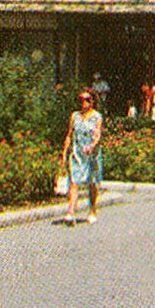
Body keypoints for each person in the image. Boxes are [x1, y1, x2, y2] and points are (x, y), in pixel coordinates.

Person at [60, 89, 103, 225]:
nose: (83, 103)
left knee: (92, 183)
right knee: (74, 181)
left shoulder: (97, 117)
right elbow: (69, 135)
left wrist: (91, 146)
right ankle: (70, 212)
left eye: (87, 99)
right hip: (77, 152)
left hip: (92, 155)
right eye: (81, 99)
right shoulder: (75, 116)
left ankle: (92, 211)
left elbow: (97, 135)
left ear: (93, 101)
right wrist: (64, 152)